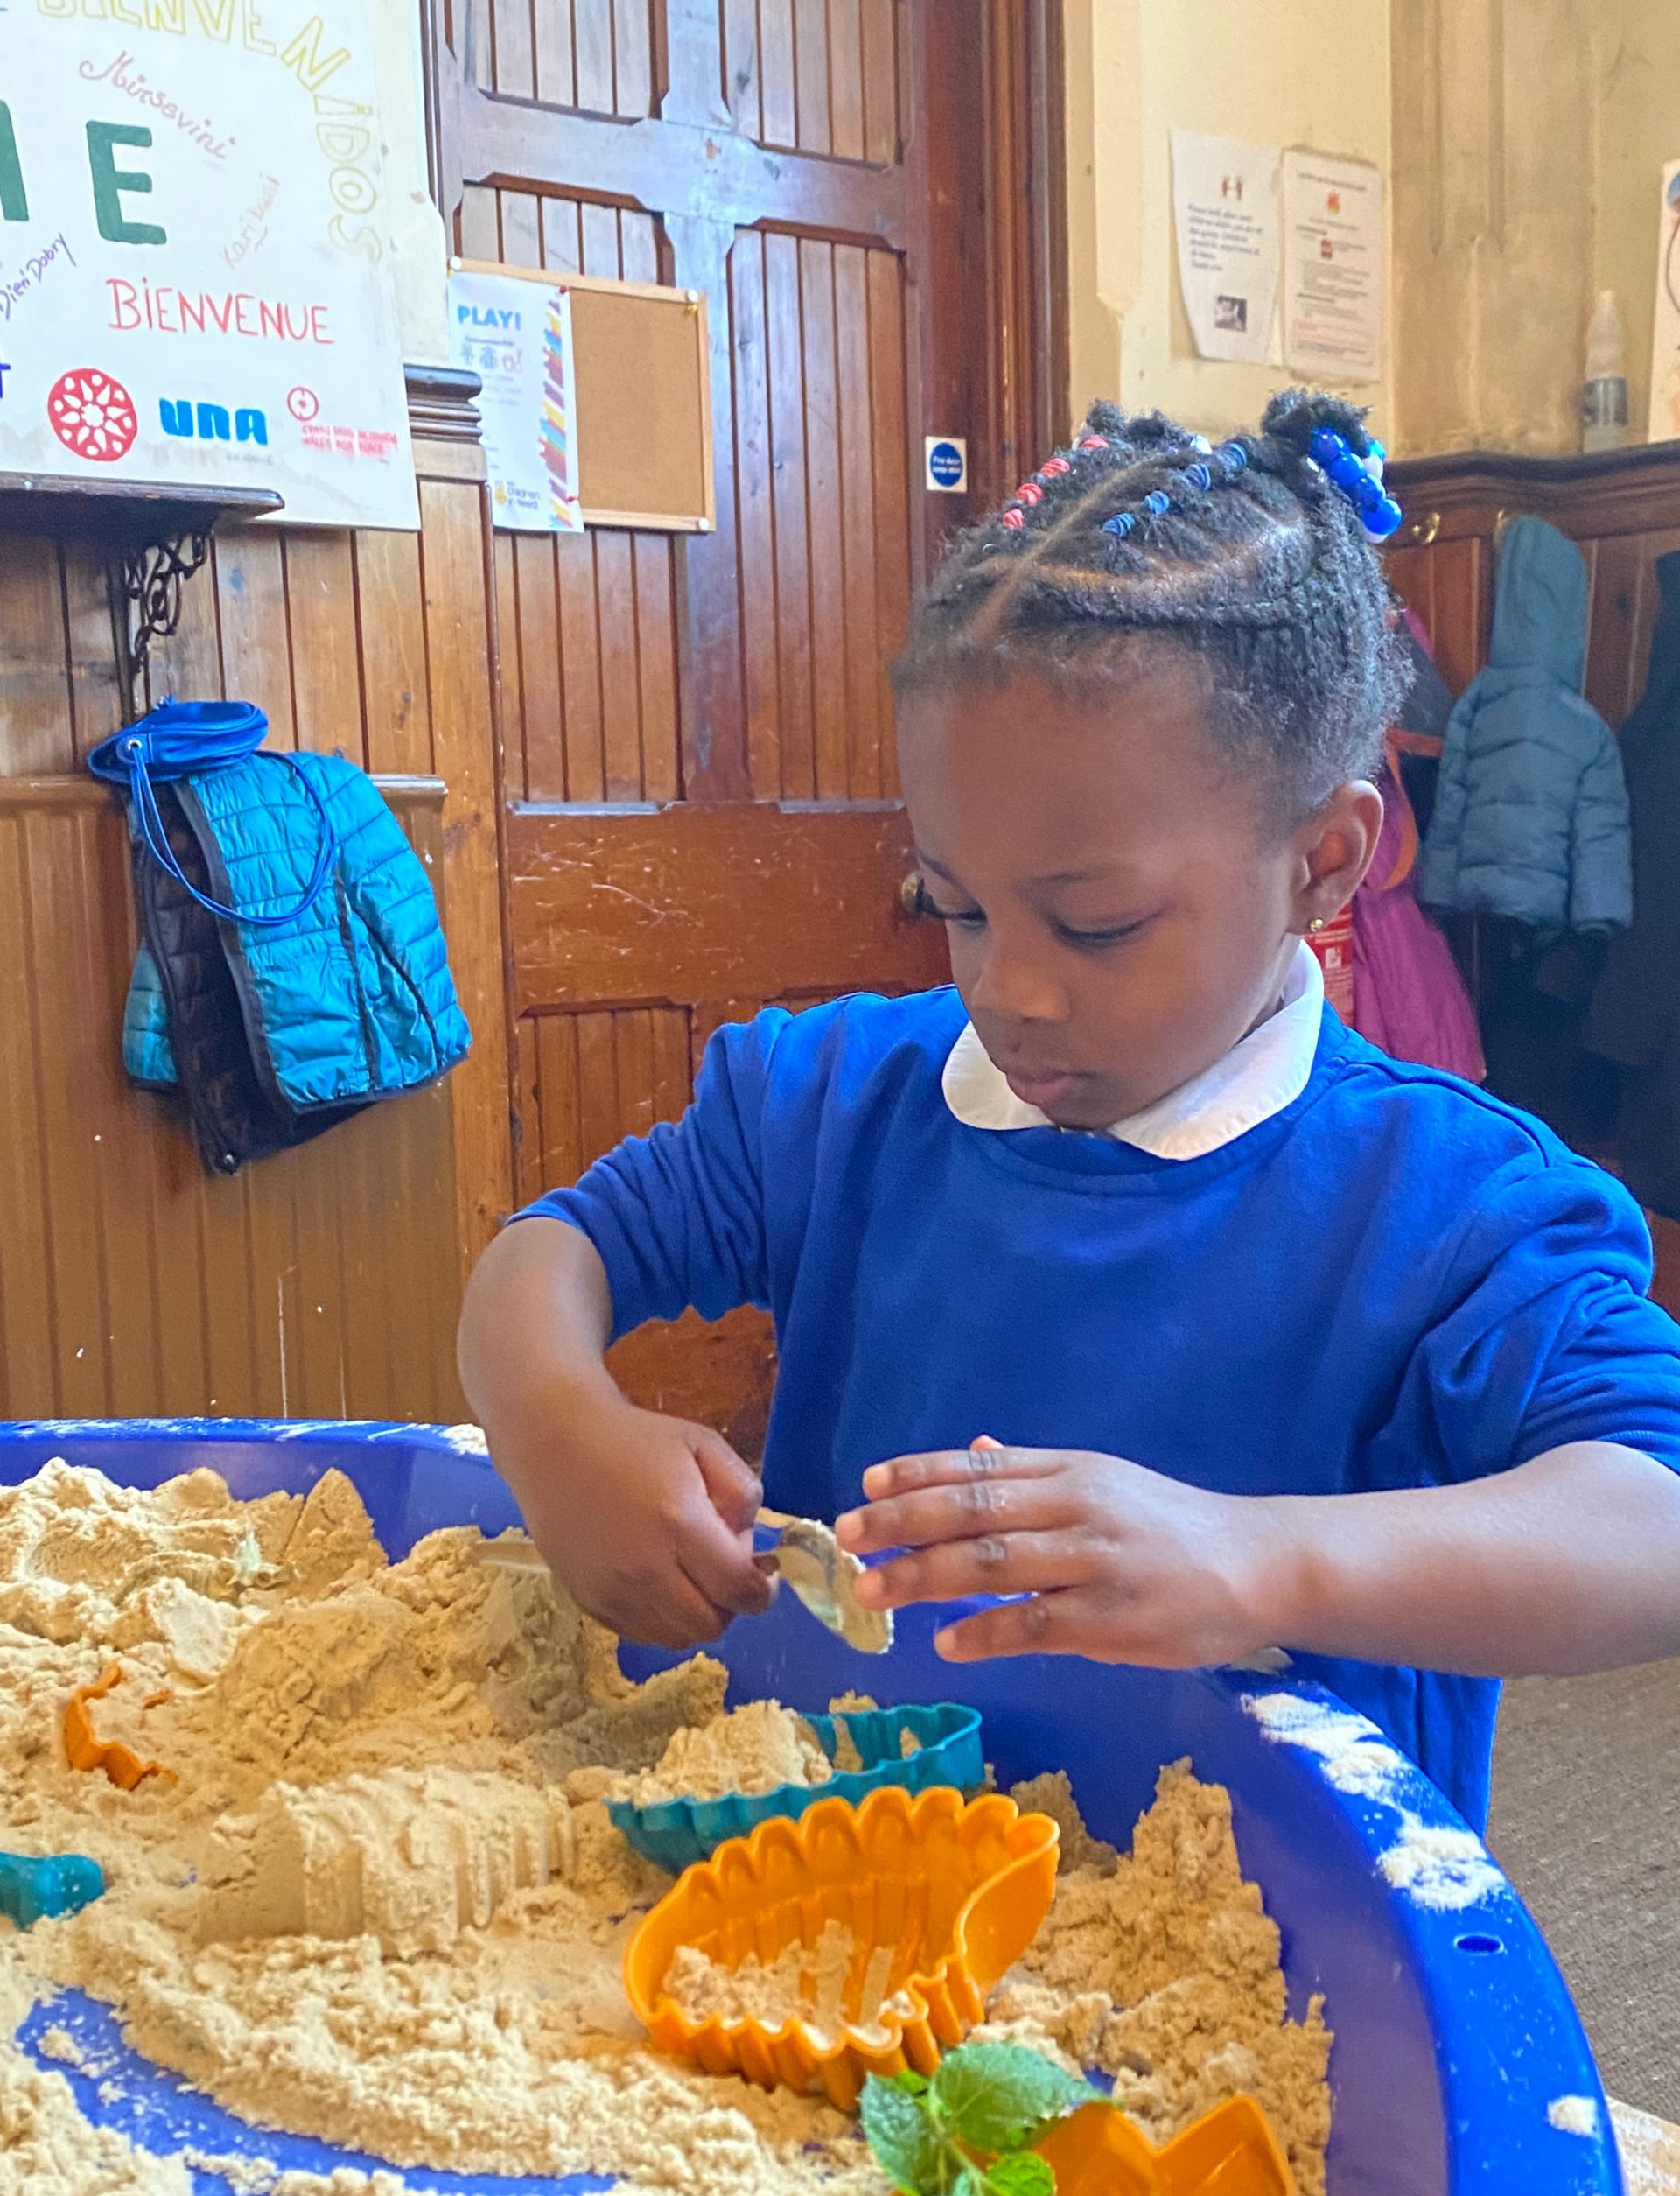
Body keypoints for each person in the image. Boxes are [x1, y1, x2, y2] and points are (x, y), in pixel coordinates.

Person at [458, 391, 1680, 1832]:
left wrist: (1260, 1561)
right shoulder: (839, 1098)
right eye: (957, 907)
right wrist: (553, 1418)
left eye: (1094, 925)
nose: (1010, 992)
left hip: (1275, 1925)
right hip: (852, 1867)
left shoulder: (1452, 1204)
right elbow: (552, 1249)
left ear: (1325, 862)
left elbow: (1652, 1519)